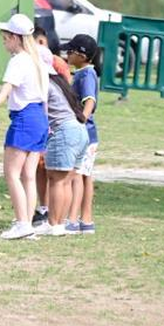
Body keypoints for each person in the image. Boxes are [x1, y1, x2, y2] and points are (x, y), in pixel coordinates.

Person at [0, 13, 50, 240]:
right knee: (28, 175)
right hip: (39, 119)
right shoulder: (38, 61)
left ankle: (23, 222)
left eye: (5, 38)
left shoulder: (19, 61)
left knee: (12, 173)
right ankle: (26, 222)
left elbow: (4, 94)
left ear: (15, 37)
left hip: (25, 119)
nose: (4, 43)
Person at [38, 68, 90, 237]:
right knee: (66, 181)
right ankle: (59, 224)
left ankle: (53, 223)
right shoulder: (59, 82)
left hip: (64, 131)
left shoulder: (44, 84)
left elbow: (42, 112)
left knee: (56, 180)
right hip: (80, 131)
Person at [32, 24, 71, 227]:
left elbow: (46, 108)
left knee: (57, 177)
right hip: (63, 128)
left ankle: (55, 222)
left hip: (56, 129)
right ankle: (49, 213)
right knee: (53, 175)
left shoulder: (53, 72)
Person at [64, 34, 101, 234]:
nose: (66, 54)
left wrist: (81, 120)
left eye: (70, 51)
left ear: (81, 54)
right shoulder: (82, 72)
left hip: (84, 134)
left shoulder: (86, 75)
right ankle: (86, 220)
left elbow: (90, 101)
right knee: (85, 176)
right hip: (89, 135)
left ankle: (72, 219)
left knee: (76, 175)